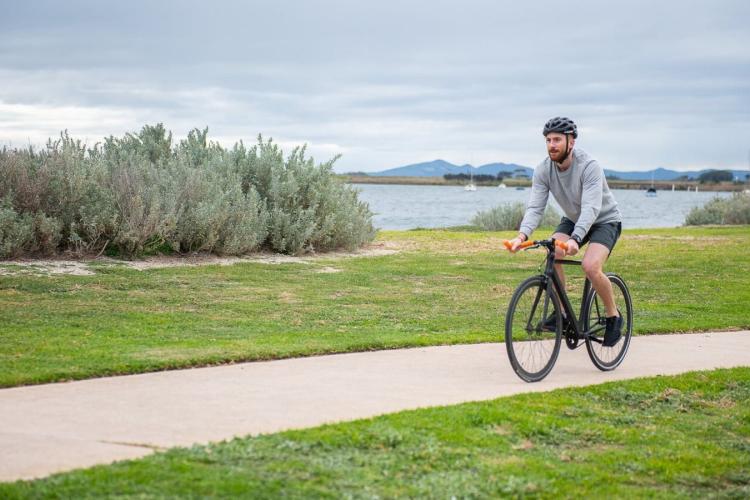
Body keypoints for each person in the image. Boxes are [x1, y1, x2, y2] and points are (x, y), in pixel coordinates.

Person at [506, 117, 624, 346]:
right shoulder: (542, 170)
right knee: (553, 251)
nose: (552, 144)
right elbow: (536, 206)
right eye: (548, 140)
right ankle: (562, 314)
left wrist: (576, 239)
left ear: (571, 142)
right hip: (572, 219)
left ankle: (613, 316)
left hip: (604, 220)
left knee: (590, 266)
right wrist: (521, 236)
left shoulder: (590, 166)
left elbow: (591, 208)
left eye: (557, 139)